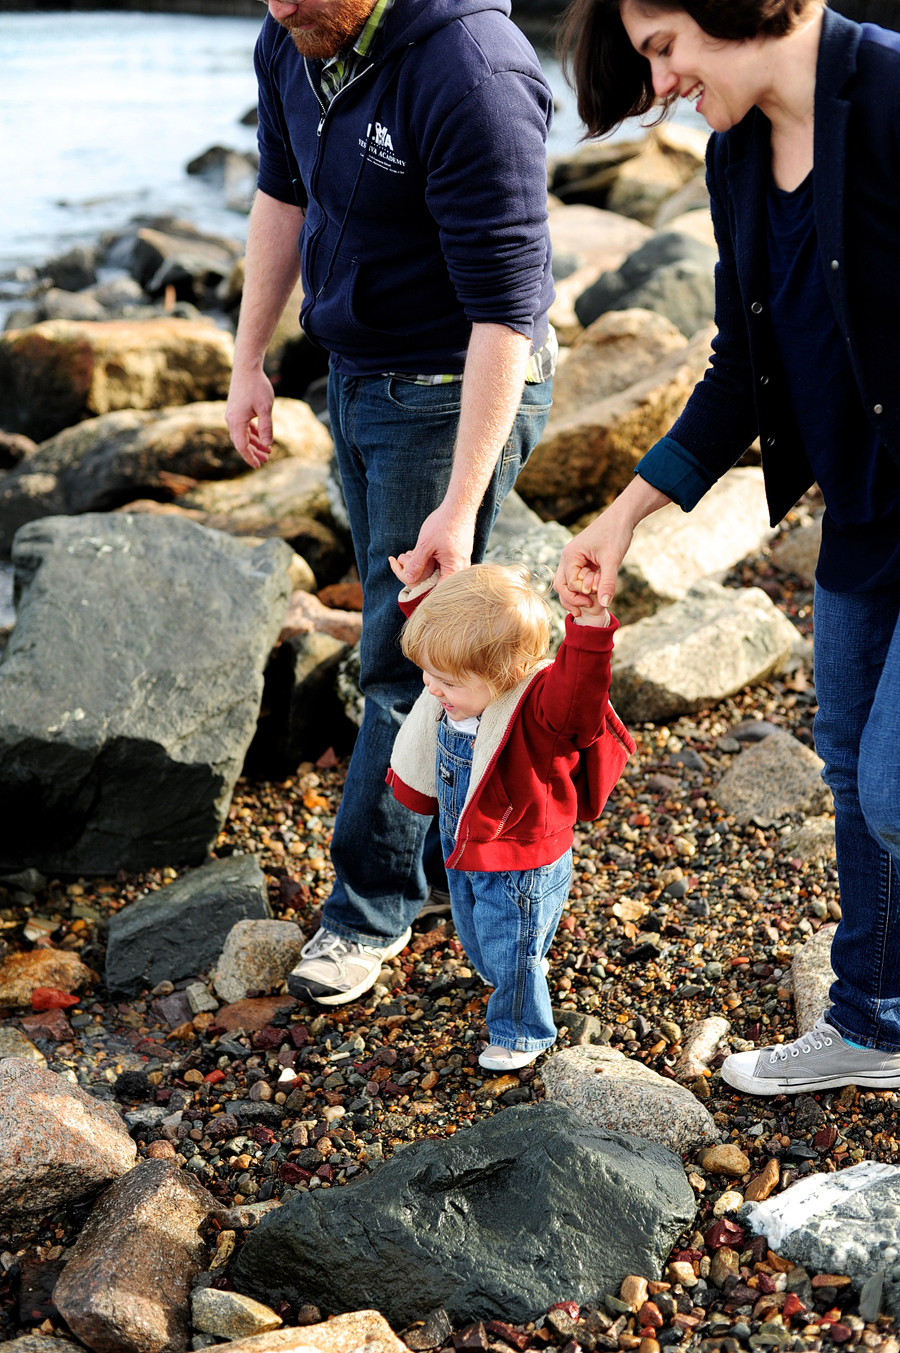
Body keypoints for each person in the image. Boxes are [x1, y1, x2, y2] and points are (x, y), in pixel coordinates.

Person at [554, 0, 900, 1094]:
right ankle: (875, 1024)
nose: (660, 83)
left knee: (894, 789)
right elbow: (741, 372)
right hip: (861, 516)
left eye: (664, 49)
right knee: (848, 769)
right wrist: (620, 518)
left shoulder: (891, 94)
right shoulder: (738, 154)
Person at [227, 0, 556, 1006]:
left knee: (403, 657)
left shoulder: (474, 72)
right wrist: (249, 360)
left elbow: (508, 310)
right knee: (405, 644)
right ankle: (453, 856)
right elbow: (283, 198)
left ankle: (369, 911)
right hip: (358, 378)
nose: (283, 7)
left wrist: (459, 504)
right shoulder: (291, 36)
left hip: (454, 392)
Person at [384, 560, 634, 1068]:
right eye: (429, 676)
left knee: (512, 947)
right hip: (467, 842)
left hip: (520, 860)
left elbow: (582, 690)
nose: (432, 690)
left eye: (447, 682)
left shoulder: (543, 710)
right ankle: (512, 973)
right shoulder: (461, 684)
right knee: (477, 934)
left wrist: (587, 626)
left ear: (506, 675)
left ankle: (523, 1032)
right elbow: (445, 636)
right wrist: (421, 589)